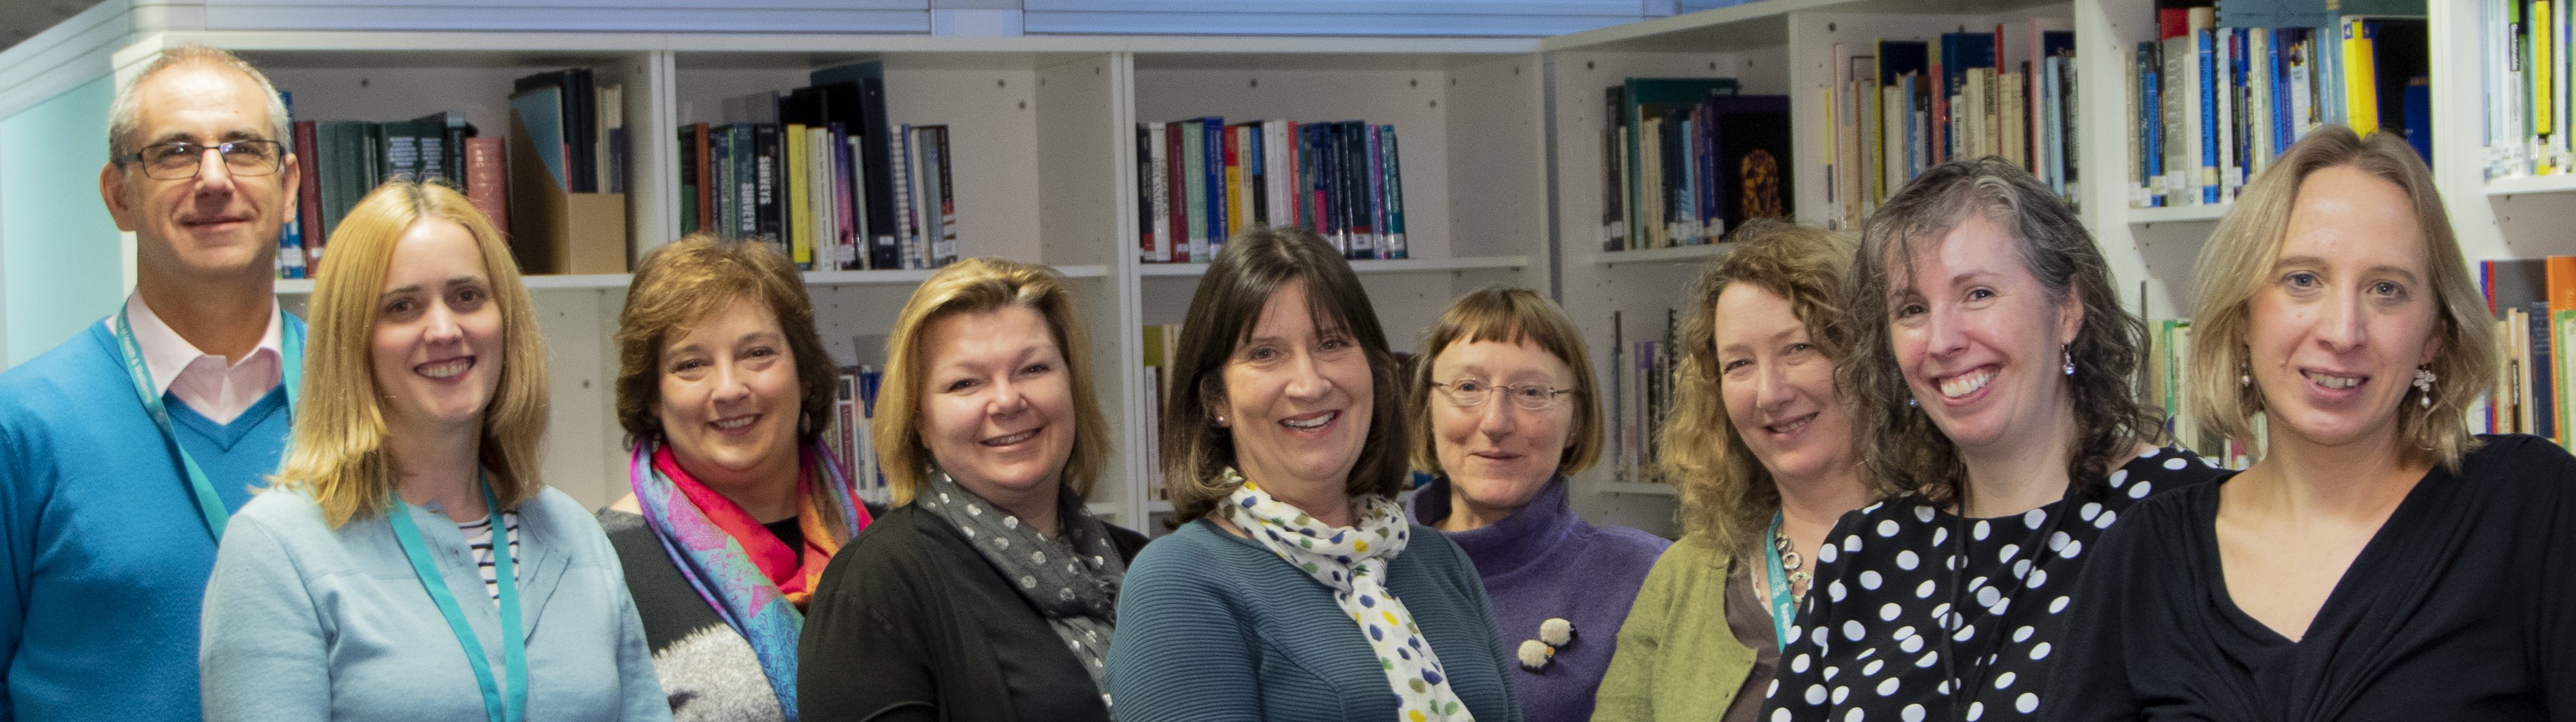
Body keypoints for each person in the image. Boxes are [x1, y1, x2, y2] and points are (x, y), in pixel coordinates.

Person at [2046, 127, 2576, 721]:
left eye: (2386, 289)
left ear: (2435, 333)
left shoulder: (2533, 506)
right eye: (2303, 280)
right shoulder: (2145, 556)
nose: (2342, 331)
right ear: (2243, 313)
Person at [1764, 158, 2224, 722]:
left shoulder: (2188, 522)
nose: (1943, 339)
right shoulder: (1863, 550)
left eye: (1978, 294)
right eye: (1912, 309)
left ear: (2068, 309)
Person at [197, 180, 666, 721]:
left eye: (467, 296)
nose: (444, 329)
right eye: (403, 306)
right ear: (353, 339)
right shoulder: (276, 550)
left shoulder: (572, 532)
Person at [1107, 226, 1521, 722]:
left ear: (1374, 369)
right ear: (1216, 399)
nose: (1309, 383)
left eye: (1331, 343)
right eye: (1265, 353)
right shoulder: (1179, 581)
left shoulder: (1439, 561)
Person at [0, 43, 300, 721]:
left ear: (289, 188)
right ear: (119, 195)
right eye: (175, 152)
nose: (214, 179)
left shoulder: (367, 397)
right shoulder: (21, 424)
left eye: (244, 149)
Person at [797, 257, 1141, 722]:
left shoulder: (1144, 563)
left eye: (1033, 369)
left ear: (1072, 388)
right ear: (918, 421)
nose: (1006, 400)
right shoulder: (876, 585)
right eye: (966, 382)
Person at [1595, 219, 1874, 722]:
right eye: (1739, 364)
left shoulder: (1960, 549)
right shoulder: (1682, 577)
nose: (1771, 393)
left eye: (1799, 348)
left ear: (1870, 354)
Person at [598, 234, 874, 721]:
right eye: (691, 364)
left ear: (804, 374)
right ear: (653, 398)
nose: (729, 388)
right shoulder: (600, 562)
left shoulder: (888, 540)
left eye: (757, 353)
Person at [1402, 285, 1666, 722]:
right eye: (1468, 386)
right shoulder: (1363, 570)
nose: (1495, 422)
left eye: (1531, 392)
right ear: (1427, 409)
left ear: (1577, 420)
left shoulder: (1646, 577)